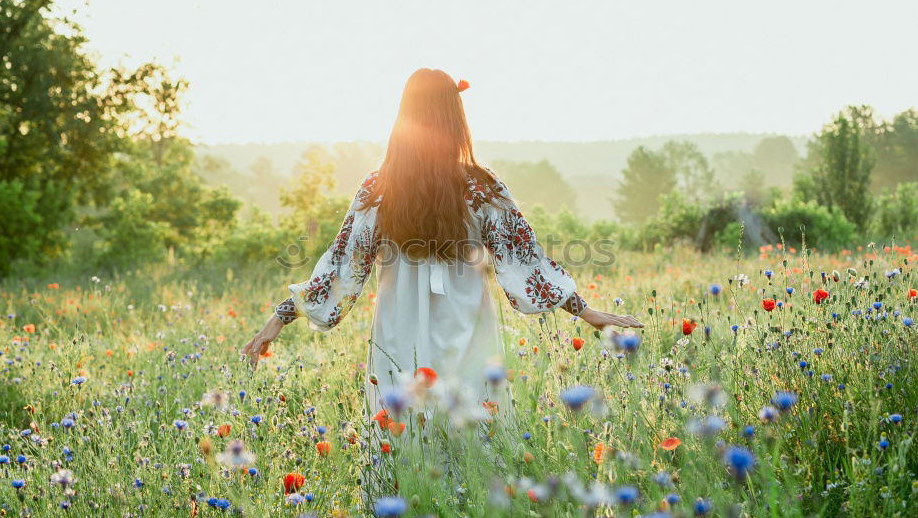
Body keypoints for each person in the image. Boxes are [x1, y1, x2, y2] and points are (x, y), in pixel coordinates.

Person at [242, 68, 642, 418]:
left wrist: (281, 316)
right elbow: (524, 262)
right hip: (466, 322)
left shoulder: (379, 188)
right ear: (455, 117)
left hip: (399, 325)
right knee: (469, 429)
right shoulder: (481, 186)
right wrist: (585, 310)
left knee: (403, 432)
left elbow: (342, 267)